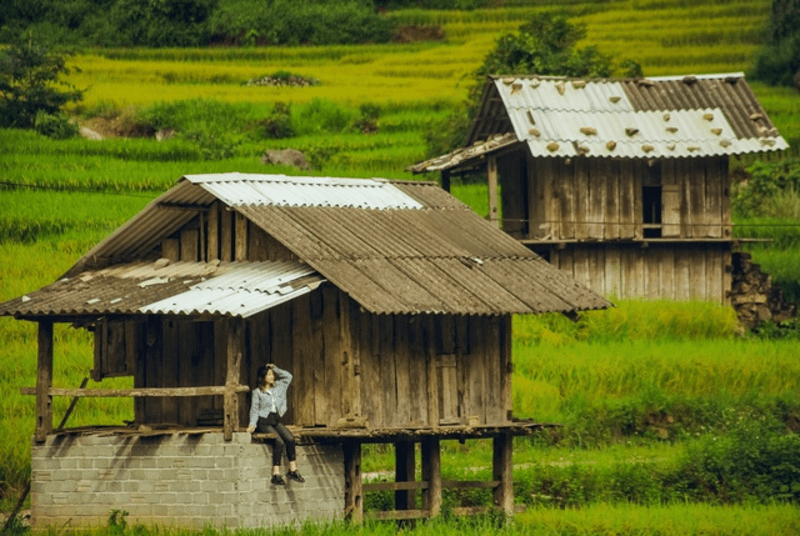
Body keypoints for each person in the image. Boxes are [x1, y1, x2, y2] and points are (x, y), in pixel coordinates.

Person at [246, 363, 305, 485]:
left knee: (290, 438)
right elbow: (254, 409)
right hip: (263, 421)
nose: (271, 376)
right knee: (279, 442)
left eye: (272, 374)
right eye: (268, 374)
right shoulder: (257, 392)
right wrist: (252, 424)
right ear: (263, 377)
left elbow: (288, 377)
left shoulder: (278, 387)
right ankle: (276, 474)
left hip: (274, 419)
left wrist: (275, 368)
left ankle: (293, 470)